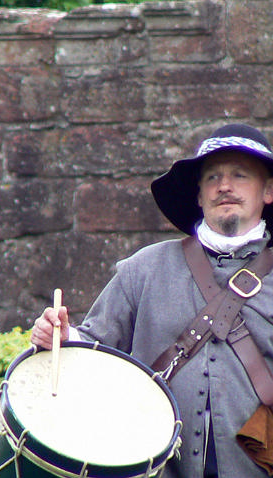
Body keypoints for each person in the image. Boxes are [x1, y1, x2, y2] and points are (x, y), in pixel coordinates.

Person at [30, 123, 273, 478]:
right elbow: (92, 347)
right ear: (199, 195)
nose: (225, 186)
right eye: (212, 178)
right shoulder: (143, 268)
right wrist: (61, 337)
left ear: (268, 190)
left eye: (240, 175)